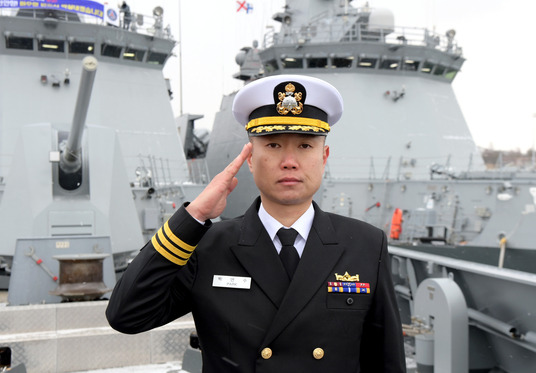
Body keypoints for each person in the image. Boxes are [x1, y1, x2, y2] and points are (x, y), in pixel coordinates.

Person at [106, 75, 406, 372]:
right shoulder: (208, 246)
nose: (290, 161)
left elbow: (386, 359)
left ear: (324, 156)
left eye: (305, 146)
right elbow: (127, 315)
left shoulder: (365, 244)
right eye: (273, 145)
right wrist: (193, 216)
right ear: (250, 159)